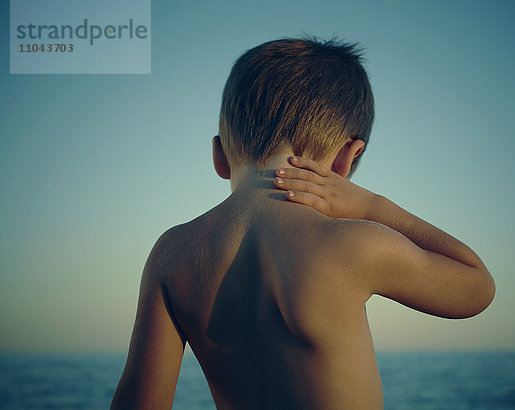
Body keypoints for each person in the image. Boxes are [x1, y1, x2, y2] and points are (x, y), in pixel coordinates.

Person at [111, 37, 495, 409]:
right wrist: (371, 206)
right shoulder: (353, 244)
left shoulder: (172, 253)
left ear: (220, 155)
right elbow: (477, 287)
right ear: (348, 156)